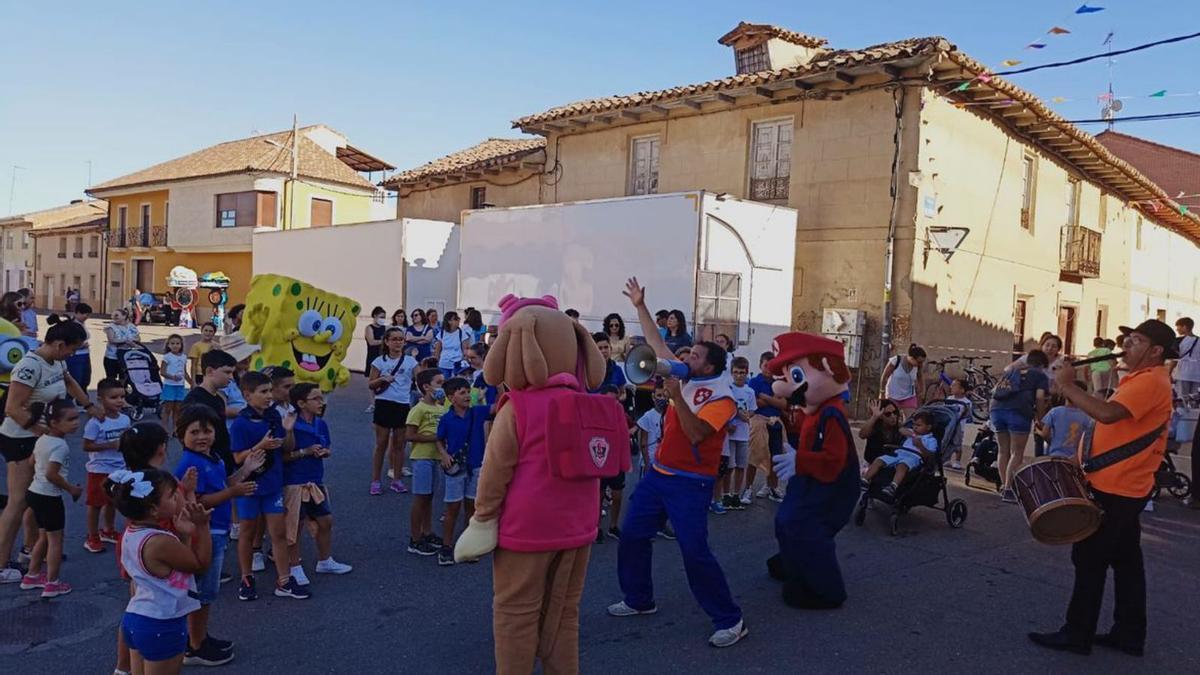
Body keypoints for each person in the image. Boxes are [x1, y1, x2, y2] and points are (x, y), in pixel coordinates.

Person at [607, 277, 746, 648]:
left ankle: (730, 619)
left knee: (694, 552)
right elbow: (655, 343)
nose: (685, 359)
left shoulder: (723, 398)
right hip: (659, 476)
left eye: (694, 357)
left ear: (710, 366)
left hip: (691, 483)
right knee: (633, 536)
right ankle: (639, 599)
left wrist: (676, 399)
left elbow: (698, 433)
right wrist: (639, 305)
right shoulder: (683, 374)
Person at [1029, 320, 1175, 656]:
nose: (1126, 344)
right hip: (1122, 484)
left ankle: (1077, 634)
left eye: (1136, 341)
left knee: (1090, 558)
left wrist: (1068, 387)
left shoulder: (1151, 380)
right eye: (1128, 338)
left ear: (1155, 352)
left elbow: (1108, 414)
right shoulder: (1142, 378)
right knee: (1125, 560)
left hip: (1117, 486)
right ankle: (1128, 633)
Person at [0, 317, 97, 583]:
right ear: (57, 344)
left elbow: (69, 382)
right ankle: (1, 562)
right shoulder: (29, 367)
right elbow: (12, 409)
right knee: (18, 502)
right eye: (71, 348)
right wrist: (44, 434)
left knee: (37, 497)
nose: (73, 354)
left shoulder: (57, 360)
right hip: (20, 438)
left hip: (39, 437)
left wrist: (89, 406)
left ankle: (30, 550)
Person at [173, 404, 263, 667]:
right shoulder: (191, 463)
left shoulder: (213, 458)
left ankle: (200, 637)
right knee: (203, 592)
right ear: (181, 436)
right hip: (206, 532)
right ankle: (195, 645)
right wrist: (232, 494)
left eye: (207, 431)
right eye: (195, 432)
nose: (202, 437)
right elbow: (199, 501)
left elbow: (225, 484)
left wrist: (246, 469)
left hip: (219, 530)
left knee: (207, 593)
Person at [108, 468, 209, 675]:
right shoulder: (160, 541)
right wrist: (202, 526)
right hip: (161, 623)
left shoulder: (132, 532)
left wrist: (185, 536)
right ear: (154, 509)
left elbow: (181, 562)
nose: (176, 499)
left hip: (136, 617)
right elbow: (199, 564)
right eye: (172, 496)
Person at [228, 370, 307, 601]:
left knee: (278, 533)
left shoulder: (274, 417)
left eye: (270, 391)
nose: (269, 396)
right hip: (250, 486)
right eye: (263, 392)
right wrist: (260, 445)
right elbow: (238, 458)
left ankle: (284, 580)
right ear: (247, 395)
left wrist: (289, 429)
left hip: (272, 484)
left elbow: (286, 447)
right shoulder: (241, 424)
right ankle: (246, 577)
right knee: (247, 532)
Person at [283, 384, 352, 581]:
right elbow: (282, 455)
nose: (321, 402)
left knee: (325, 520)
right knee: (295, 525)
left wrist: (325, 451)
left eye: (321, 398)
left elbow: (326, 445)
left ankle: (324, 560)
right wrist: (304, 452)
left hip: (315, 480)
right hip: (294, 481)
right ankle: (294, 566)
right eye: (316, 399)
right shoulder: (290, 424)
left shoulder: (320, 423)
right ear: (301, 403)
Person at [21, 400, 82, 598]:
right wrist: (71, 489)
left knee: (43, 537)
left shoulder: (42, 439)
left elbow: (32, 462)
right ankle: (52, 583)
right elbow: (52, 474)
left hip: (34, 493)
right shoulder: (60, 446)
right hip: (49, 496)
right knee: (55, 540)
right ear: (54, 422)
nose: (76, 423)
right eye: (71, 419)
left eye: (77, 418)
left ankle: (32, 576)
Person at [991, 349, 1050, 503]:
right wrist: (1040, 418)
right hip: (1019, 412)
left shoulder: (1012, 370)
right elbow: (1039, 397)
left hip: (996, 409)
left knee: (1003, 451)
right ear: (1042, 365)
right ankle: (1009, 489)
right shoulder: (1040, 375)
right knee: (1017, 452)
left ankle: (1004, 486)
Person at [434, 377, 481, 565]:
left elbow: (499, 407)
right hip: (456, 467)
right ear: (451, 398)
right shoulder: (446, 419)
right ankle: (446, 546)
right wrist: (443, 454)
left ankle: (468, 545)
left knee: (472, 507)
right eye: (462, 393)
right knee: (452, 507)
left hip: (475, 465)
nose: (468, 395)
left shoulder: (477, 413)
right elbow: (439, 439)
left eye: (468, 391)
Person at [81, 378, 130, 553]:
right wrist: (109, 445)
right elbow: (86, 445)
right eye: (114, 397)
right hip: (99, 470)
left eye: (122, 396)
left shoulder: (125, 419)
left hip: (119, 468)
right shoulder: (95, 423)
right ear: (101, 399)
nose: (119, 401)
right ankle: (92, 536)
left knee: (112, 501)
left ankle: (108, 530)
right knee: (95, 504)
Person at [367, 327, 417, 495]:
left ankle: (396, 480)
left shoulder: (411, 362)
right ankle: (375, 480)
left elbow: (422, 378)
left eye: (400, 339)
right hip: (383, 404)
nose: (397, 342)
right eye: (394, 339)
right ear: (386, 342)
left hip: (402, 405)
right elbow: (370, 384)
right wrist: (382, 378)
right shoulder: (379, 362)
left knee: (399, 445)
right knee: (381, 444)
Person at [406, 368, 447, 556]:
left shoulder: (442, 408)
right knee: (420, 498)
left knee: (429, 497)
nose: (442, 387)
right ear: (426, 387)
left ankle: (427, 531)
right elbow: (410, 435)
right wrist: (435, 438)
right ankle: (415, 539)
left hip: (436, 458)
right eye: (439, 383)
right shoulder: (419, 409)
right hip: (422, 457)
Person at [862, 411, 938, 499]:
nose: (915, 427)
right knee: (879, 460)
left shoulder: (931, 440)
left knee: (902, 465)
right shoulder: (912, 432)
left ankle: (893, 486)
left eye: (919, 425)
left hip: (914, 456)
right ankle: (865, 479)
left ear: (928, 427)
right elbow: (901, 430)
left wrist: (920, 446)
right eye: (914, 424)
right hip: (899, 453)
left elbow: (930, 456)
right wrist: (912, 434)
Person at [746, 352, 786, 503]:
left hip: (775, 422)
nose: (768, 369)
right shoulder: (755, 382)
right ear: (760, 365)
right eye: (765, 366)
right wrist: (773, 400)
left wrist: (765, 397)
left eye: (772, 366)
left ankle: (772, 487)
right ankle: (748, 488)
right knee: (754, 455)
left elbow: (782, 404)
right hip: (759, 421)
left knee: (776, 456)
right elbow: (754, 404)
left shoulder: (779, 383)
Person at [721, 357, 755, 510]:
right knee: (729, 466)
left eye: (742, 372)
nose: (739, 375)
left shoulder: (750, 391)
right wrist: (730, 421)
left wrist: (748, 414)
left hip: (743, 433)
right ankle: (725, 494)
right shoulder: (728, 389)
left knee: (741, 465)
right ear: (731, 373)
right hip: (730, 433)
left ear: (747, 373)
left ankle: (736, 494)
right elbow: (724, 409)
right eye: (736, 372)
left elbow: (753, 409)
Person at [1035, 384, 1093, 458]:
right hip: (1075, 457)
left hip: (1055, 454)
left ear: (1064, 395)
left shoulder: (1054, 412)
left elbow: (1045, 434)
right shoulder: (1086, 417)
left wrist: (1051, 441)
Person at [880, 343, 927, 416]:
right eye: (919, 362)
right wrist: (882, 392)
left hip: (909, 396)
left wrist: (922, 391)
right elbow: (885, 376)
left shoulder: (918, 366)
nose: (920, 364)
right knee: (893, 418)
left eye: (922, 362)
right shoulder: (896, 360)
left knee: (910, 420)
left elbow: (920, 377)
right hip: (893, 395)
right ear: (911, 358)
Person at [858, 399, 903, 464]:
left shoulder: (899, 427)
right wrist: (874, 417)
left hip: (891, 464)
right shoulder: (874, 426)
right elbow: (862, 435)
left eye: (895, 412)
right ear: (881, 416)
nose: (893, 416)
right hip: (871, 464)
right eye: (888, 414)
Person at [158, 334, 188, 432]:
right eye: (172, 343)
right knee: (168, 409)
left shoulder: (184, 357)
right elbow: (162, 372)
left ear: (181, 345)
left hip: (180, 386)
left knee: (178, 409)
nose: (175, 345)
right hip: (170, 385)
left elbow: (184, 372)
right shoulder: (167, 357)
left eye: (177, 343)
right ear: (168, 345)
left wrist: (192, 382)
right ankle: (164, 429)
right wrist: (172, 377)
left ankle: (175, 429)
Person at [103, 309, 140, 379]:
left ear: (124, 316)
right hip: (112, 357)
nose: (114, 317)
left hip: (126, 356)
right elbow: (111, 340)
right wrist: (126, 341)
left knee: (124, 377)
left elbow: (138, 338)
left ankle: (122, 389)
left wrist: (132, 341)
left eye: (116, 315)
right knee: (111, 378)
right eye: (113, 315)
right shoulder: (111, 327)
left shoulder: (131, 327)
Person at [591, 333, 628, 402]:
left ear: (610, 348)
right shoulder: (587, 370)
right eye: (600, 348)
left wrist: (619, 398)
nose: (604, 351)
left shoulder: (617, 370)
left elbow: (623, 392)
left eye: (606, 347)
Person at [65, 304, 93, 392]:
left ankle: (82, 393)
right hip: (76, 355)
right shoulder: (72, 325)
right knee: (77, 377)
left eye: (88, 315)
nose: (86, 317)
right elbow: (68, 342)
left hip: (85, 354)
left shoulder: (82, 324)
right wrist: (81, 345)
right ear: (77, 313)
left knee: (85, 377)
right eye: (84, 314)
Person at [435, 310, 471, 377]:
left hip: (457, 363)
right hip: (444, 364)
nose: (458, 320)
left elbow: (465, 349)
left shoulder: (462, 333)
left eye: (458, 319)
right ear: (449, 321)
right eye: (455, 319)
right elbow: (438, 350)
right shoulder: (442, 333)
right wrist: (437, 361)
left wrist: (465, 359)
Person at [1172, 317, 1200, 399]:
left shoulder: (1178, 341)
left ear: (1184, 326)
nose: (1177, 329)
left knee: (1182, 399)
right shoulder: (1199, 340)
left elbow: (1174, 359)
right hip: (1197, 375)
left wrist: (1169, 372)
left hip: (1182, 374)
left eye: (1178, 327)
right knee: (1195, 400)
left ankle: (1183, 412)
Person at [363, 306, 388, 376]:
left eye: (384, 317)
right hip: (373, 356)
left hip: (383, 356)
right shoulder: (369, 328)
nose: (383, 319)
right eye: (381, 317)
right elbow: (371, 342)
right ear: (375, 316)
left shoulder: (385, 328)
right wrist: (384, 341)